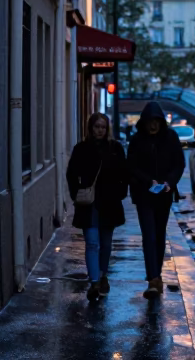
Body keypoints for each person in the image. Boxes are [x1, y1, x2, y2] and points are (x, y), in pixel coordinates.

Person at [66, 112, 128, 302]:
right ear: (91, 128)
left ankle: (102, 276)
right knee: (92, 243)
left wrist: (120, 192)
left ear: (107, 128)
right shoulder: (82, 149)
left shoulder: (115, 148)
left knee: (106, 244)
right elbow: (71, 174)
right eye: (96, 127)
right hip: (90, 204)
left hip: (109, 202)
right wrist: (77, 194)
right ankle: (94, 282)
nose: (100, 130)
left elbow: (124, 173)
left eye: (103, 127)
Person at [127, 101, 185, 298]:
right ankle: (152, 278)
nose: (152, 125)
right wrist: (146, 181)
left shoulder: (171, 138)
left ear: (161, 122)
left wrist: (169, 182)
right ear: (144, 122)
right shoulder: (136, 141)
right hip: (144, 195)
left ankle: (156, 275)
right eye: (149, 122)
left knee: (159, 236)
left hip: (164, 195)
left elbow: (179, 164)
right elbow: (132, 166)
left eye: (156, 122)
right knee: (149, 235)